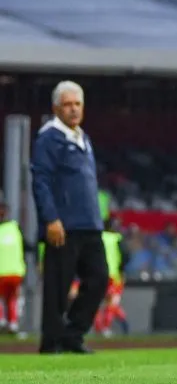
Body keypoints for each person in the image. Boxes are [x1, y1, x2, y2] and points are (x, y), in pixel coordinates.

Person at [32, 80, 108, 354]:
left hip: (90, 224)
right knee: (57, 288)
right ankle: (51, 343)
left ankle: (72, 334)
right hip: (63, 225)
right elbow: (40, 180)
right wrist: (50, 219)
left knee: (99, 279)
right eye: (67, 104)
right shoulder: (49, 137)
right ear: (55, 108)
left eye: (77, 104)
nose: (74, 110)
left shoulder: (82, 136)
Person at [94, 218, 129, 337]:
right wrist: (122, 270)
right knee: (112, 302)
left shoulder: (98, 237)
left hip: (98, 274)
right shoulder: (117, 239)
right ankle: (107, 327)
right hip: (114, 276)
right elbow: (125, 255)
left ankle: (99, 327)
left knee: (96, 301)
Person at [0, 200, 26, 334]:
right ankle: (12, 324)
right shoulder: (15, 228)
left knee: (7, 299)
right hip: (16, 271)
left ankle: (4, 321)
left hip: (5, 272)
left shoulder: (13, 228)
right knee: (12, 299)